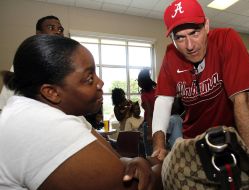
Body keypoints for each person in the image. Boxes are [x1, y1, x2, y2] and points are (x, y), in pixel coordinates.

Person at [0, 35, 163, 190]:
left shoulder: (66, 114)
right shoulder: (38, 124)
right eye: (89, 78)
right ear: (52, 92)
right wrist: (168, 166)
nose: (100, 82)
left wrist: (131, 161)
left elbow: (115, 159)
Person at [152, 0, 249, 161]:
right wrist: (159, 147)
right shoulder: (171, 55)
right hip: (193, 141)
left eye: (194, 33)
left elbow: (242, 99)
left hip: (229, 138)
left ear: (206, 25)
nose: (190, 45)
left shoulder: (226, 39)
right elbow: (163, 101)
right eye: (180, 38)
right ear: (171, 39)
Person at [0, 15, 64, 111]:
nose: (57, 32)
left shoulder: (65, 63)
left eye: (60, 29)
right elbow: (5, 104)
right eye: (51, 28)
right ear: (39, 34)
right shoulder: (25, 62)